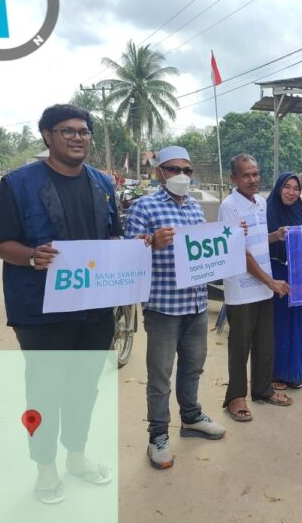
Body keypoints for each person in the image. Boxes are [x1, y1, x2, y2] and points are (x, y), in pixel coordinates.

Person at [0, 104, 120, 504]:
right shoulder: (17, 184)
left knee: (84, 388)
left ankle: (76, 457)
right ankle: (45, 466)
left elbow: (113, 236)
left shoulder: (102, 184)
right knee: (44, 391)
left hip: (95, 308)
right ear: (47, 135)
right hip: (41, 311)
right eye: (67, 131)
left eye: (84, 131)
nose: (77, 137)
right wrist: (30, 256)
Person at [125, 146, 225, 470]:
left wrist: (231, 241)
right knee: (160, 375)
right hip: (163, 305)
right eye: (173, 169)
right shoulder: (144, 206)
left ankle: (192, 417)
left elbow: (204, 249)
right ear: (159, 173)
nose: (181, 175)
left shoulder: (195, 208)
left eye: (187, 169)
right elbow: (127, 254)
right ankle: (157, 435)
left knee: (193, 366)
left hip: (195, 303)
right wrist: (151, 241)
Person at [219, 154, 293, 421]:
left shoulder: (260, 202)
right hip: (242, 287)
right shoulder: (229, 206)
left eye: (256, 173)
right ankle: (235, 397)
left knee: (265, 340)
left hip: (263, 285)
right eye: (246, 175)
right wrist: (271, 282)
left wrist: (276, 235)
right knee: (240, 344)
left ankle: (262, 389)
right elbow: (240, 252)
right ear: (234, 179)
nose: (253, 179)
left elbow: (257, 238)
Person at [266, 172, 302, 390]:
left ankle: (295, 373)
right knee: (278, 324)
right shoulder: (267, 211)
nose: (291, 192)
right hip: (275, 274)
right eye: (287, 187)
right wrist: (275, 236)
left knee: (298, 323)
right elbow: (254, 244)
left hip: (299, 276)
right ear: (278, 188)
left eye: (296, 188)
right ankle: (275, 374)